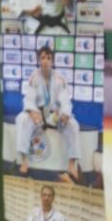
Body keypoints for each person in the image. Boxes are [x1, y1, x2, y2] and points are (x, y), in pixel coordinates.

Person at [14, 46, 81, 180]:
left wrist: (65, 114)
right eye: (43, 58)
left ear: (53, 61)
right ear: (39, 60)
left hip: (54, 115)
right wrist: (33, 112)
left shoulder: (59, 79)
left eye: (48, 58)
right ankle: (24, 161)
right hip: (38, 114)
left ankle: (72, 164)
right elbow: (29, 99)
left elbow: (65, 101)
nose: (45, 61)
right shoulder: (34, 77)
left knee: (74, 125)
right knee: (21, 119)